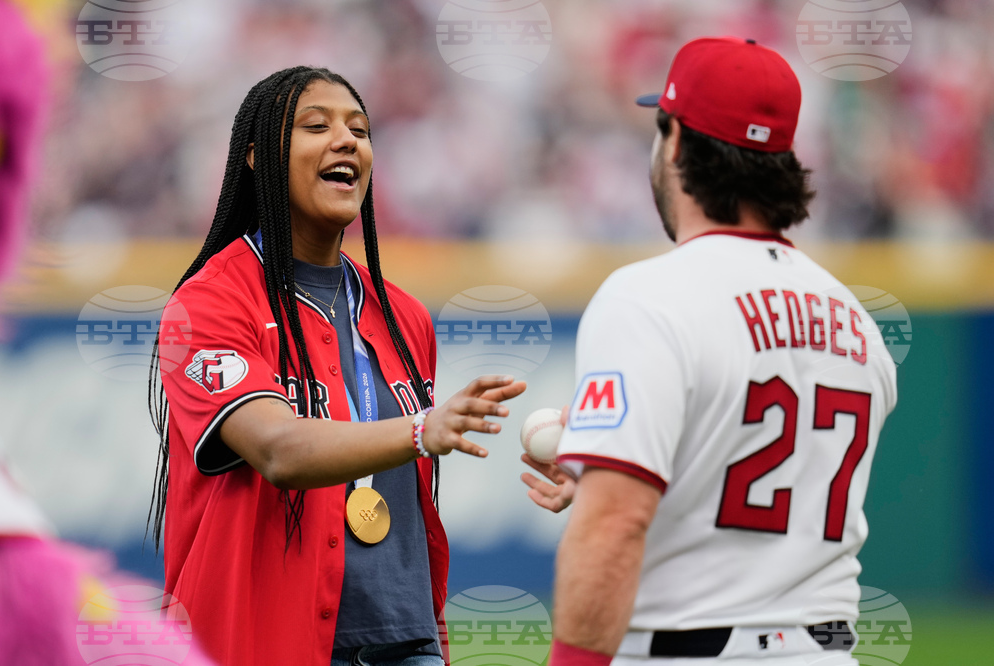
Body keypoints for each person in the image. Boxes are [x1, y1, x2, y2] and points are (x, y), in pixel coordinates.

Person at [525, 37, 898, 665]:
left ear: (674, 141)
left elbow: (615, 525)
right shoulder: (857, 323)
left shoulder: (648, 295)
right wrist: (606, 469)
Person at [148, 66, 526, 666]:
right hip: (270, 645)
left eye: (360, 128)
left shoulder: (403, 315)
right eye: (315, 126)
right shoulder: (208, 303)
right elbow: (278, 450)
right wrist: (419, 430)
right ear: (256, 157)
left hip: (407, 644)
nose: (347, 140)